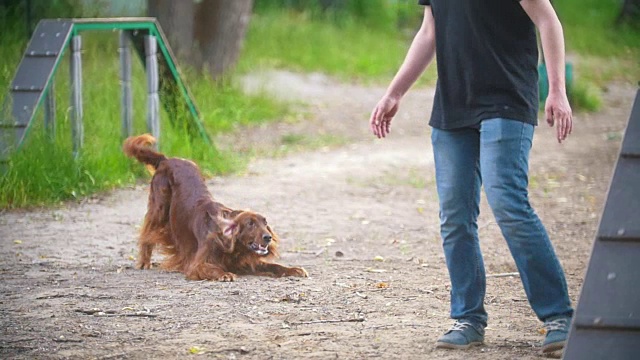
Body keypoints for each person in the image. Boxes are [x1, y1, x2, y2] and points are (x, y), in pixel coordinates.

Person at [369, 0, 574, 355]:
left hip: (507, 100)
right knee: (455, 217)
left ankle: (559, 317)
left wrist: (556, 89)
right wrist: (394, 92)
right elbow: (429, 32)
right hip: (454, 105)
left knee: (507, 202)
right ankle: (468, 319)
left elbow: (547, 20)